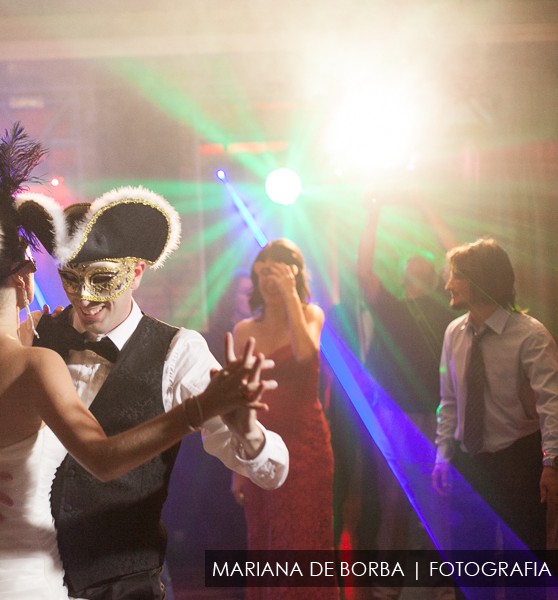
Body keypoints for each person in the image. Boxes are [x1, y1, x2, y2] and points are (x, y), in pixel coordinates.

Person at [0, 124, 280, 600]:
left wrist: (251, 434)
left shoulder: (180, 352)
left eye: (103, 279)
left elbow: (270, 471)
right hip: (34, 576)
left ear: (136, 272)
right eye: (71, 278)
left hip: (123, 583)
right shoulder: (36, 337)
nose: (85, 299)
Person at [356, 192, 458, 599]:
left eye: (425, 266)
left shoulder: (447, 308)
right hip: (396, 415)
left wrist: (429, 209)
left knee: (443, 503)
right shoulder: (391, 308)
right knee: (394, 502)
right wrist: (374, 213)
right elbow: (363, 270)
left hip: (439, 416)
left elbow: (458, 259)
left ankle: (443, 585)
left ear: (436, 277)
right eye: (411, 266)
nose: (418, 269)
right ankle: (389, 586)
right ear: (402, 275)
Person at [432, 238, 558, 557]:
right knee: (469, 566)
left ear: (483, 280)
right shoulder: (453, 332)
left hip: (518, 461)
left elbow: (552, 406)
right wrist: (443, 455)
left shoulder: (530, 335)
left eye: (456, 276)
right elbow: (449, 402)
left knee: (524, 570)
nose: (448, 284)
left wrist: (551, 464)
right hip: (467, 463)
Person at [229, 239, 336, 600]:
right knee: (266, 538)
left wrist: (292, 296)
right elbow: (241, 403)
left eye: (277, 273)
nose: (269, 282)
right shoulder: (244, 330)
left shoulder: (311, 315)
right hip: (260, 443)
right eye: (263, 274)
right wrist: (237, 467)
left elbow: (306, 355)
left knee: (305, 539)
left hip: (306, 443)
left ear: (293, 275)